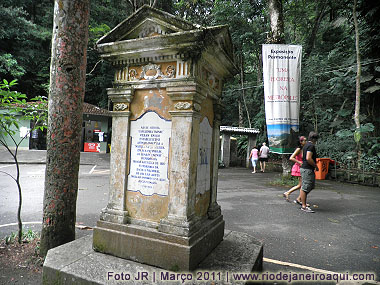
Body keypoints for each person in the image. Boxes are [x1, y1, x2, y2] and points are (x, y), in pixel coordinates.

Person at [299, 131, 319, 213]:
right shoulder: (311, 146)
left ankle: (301, 200)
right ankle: (303, 206)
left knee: (309, 186)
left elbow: (303, 156)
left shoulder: (306, 145)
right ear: (315, 139)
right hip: (307, 169)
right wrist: (315, 166)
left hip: (305, 168)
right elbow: (308, 158)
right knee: (305, 187)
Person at [283, 136, 307, 202]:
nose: (306, 142)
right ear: (301, 142)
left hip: (302, 167)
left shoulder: (304, 149)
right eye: (304, 140)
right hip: (299, 167)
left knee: (302, 185)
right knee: (302, 185)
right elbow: (291, 158)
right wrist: (299, 162)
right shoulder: (298, 149)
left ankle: (297, 197)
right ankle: (291, 194)